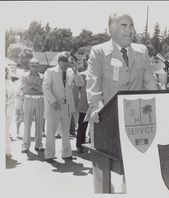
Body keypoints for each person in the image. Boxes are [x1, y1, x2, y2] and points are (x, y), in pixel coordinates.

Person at [86, 12, 159, 193]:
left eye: (131, 26)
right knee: (102, 169)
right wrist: (97, 108)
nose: (129, 31)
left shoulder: (142, 51)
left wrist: (161, 104)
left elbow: (149, 82)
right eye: (123, 26)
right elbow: (93, 82)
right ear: (111, 29)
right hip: (105, 119)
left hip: (135, 120)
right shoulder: (99, 52)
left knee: (135, 166)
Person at [42, 53, 84, 162]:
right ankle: (49, 155)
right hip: (55, 106)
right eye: (64, 62)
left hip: (67, 106)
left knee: (66, 132)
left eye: (67, 63)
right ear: (59, 62)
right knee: (51, 131)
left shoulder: (71, 72)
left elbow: (80, 83)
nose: (66, 65)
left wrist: (75, 71)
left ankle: (66, 153)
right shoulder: (50, 71)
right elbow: (46, 88)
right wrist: (53, 101)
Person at [20, 58, 45, 153]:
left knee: (39, 123)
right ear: (29, 65)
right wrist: (37, 88)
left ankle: (39, 144)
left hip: (39, 100)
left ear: (38, 66)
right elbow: (25, 90)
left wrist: (31, 86)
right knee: (27, 123)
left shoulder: (43, 77)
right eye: (32, 64)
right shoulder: (24, 76)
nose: (34, 65)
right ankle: (25, 145)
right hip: (28, 99)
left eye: (36, 64)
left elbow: (43, 90)